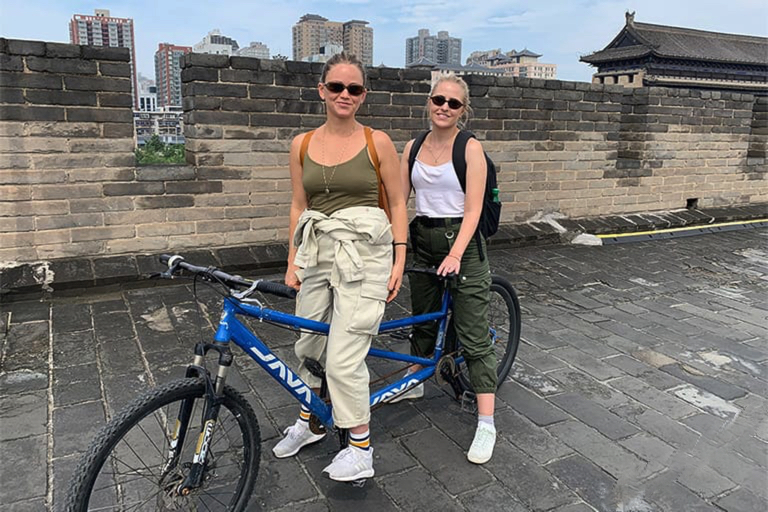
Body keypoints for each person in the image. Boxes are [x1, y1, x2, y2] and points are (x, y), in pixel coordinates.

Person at [273, 52, 408, 482]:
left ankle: (361, 448)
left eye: (353, 89)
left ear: (363, 95)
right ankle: (312, 420)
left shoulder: (377, 142)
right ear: (322, 91)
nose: (344, 95)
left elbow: (399, 202)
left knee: (344, 358)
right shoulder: (302, 144)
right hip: (317, 250)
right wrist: (292, 260)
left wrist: (399, 258)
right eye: (336, 87)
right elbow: (299, 204)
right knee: (309, 344)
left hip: (365, 253)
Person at [395, 72, 498, 464]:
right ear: (429, 102)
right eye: (439, 99)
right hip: (423, 238)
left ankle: (486, 422)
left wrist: (456, 253)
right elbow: (401, 198)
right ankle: (417, 380)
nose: (444, 107)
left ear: (463, 110)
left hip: (463, 243)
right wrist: (393, 241)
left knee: (472, 334)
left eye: (453, 103)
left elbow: (472, 209)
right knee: (422, 317)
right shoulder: (414, 146)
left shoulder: (470, 149)